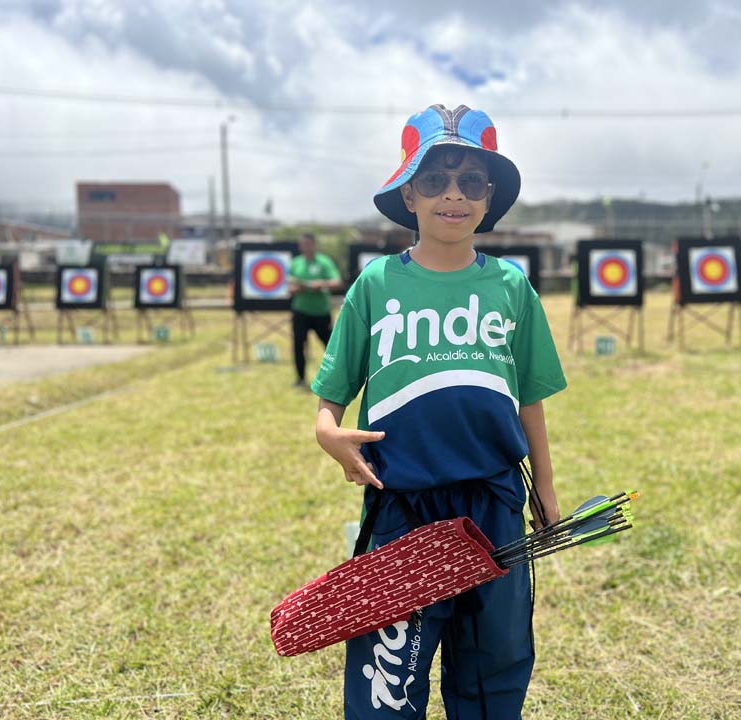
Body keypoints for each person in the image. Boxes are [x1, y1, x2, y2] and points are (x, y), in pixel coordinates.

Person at [311, 104, 567, 719]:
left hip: (495, 502)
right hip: (403, 503)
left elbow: (528, 398)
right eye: (434, 180)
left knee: (493, 663)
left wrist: (546, 486)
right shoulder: (376, 284)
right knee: (389, 675)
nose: (453, 195)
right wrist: (327, 434)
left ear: (488, 197)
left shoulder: (511, 286)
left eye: (471, 182)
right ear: (409, 193)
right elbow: (331, 396)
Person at [288, 232, 342, 388]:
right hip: (301, 311)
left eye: (308, 244)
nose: (305, 247)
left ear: (314, 245)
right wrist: (296, 288)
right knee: (298, 345)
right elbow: (289, 285)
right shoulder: (296, 263)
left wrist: (321, 284)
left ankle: (336, 377)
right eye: (303, 244)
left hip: (321, 312)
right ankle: (300, 378)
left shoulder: (324, 262)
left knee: (330, 347)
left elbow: (337, 282)